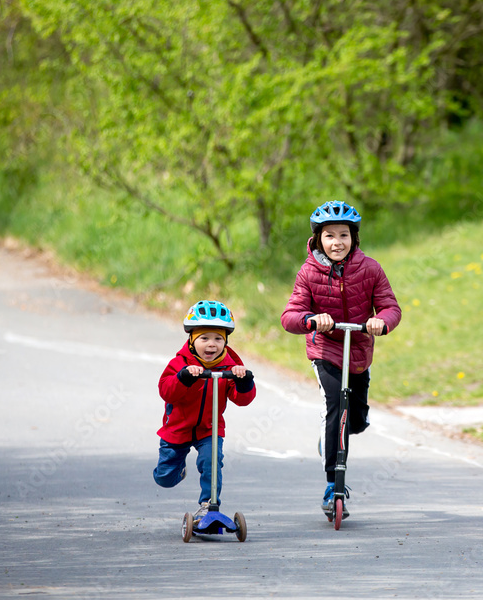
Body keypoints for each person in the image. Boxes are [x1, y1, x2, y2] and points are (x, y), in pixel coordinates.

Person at [281, 200, 401, 516]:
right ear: (319, 239)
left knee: (356, 420)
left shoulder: (371, 268)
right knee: (336, 404)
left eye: (344, 235)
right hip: (326, 350)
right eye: (330, 236)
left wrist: (382, 321)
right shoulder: (308, 272)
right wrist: (310, 319)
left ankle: (332, 440)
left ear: (354, 238)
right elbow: (290, 315)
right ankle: (333, 484)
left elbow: (391, 306)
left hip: (358, 350)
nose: (337, 242)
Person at [153, 300, 256, 520]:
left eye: (218, 338)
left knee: (212, 462)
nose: (212, 344)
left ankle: (209, 506)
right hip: (177, 430)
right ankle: (179, 469)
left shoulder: (230, 367)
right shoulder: (179, 363)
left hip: (209, 429)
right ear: (191, 340)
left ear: (226, 340)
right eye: (204, 338)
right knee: (164, 477)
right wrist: (183, 378)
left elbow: (242, 399)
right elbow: (166, 391)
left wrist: (244, 382)